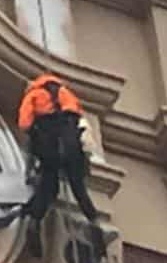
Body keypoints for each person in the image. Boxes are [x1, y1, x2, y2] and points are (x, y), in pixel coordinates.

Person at [17, 73, 115, 253]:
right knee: (79, 189)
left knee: (49, 186)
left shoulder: (33, 96)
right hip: (70, 148)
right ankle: (95, 224)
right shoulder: (64, 93)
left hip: (49, 148)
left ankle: (35, 221)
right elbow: (77, 117)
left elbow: (24, 123)